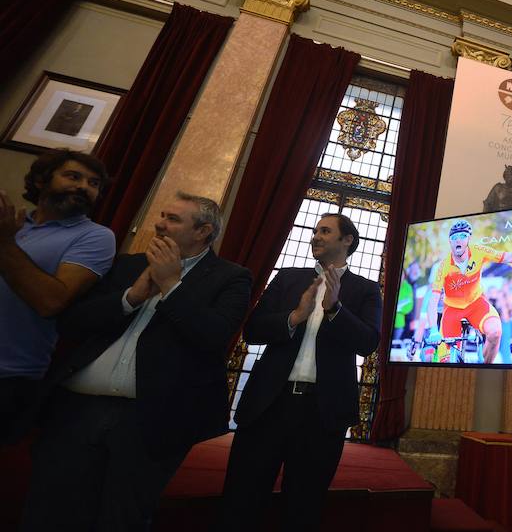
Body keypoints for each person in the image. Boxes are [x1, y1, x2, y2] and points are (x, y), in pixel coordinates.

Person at [19, 192, 251, 531]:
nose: (159, 223)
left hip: (151, 420)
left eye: (173, 219)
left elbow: (213, 337)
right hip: (76, 410)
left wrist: (172, 285)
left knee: (121, 516)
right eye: (162, 215)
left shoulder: (231, 278)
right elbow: (73, 322)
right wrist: (131, 297)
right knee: (49, 509)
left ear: (203, 232)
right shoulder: (127, 265)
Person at [220, 213, 381, 532]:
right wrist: (295, 316)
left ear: (347, 241)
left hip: (322, 414)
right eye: (314, 231)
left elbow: (368, 343)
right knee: (242, 499)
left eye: (325, 231)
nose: (315, 236)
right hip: (268, 405)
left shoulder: (365, 290)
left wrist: (335, 309)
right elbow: (252, 330)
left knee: (303, 505)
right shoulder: (288, 278)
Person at [0, 149, 115, 442]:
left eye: (93, 183)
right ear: (40, 181)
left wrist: (4, 243)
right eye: (73, 177)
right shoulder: (14, 223)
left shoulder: (96, 237)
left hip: (11, 375)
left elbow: (51, 302)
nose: (83, 187)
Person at [410, 219, 512, 364]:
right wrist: (434, 330)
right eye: (454, 238)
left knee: (495, 332)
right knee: (446, 363)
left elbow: (509, 257)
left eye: (462, 236)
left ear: (468, 239)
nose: (458, 240)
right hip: (452, 310)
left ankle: (485, 367)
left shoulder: (479, 251)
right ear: (450, 242)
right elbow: (433, 301)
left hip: (476, 304)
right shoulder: (444, 266)